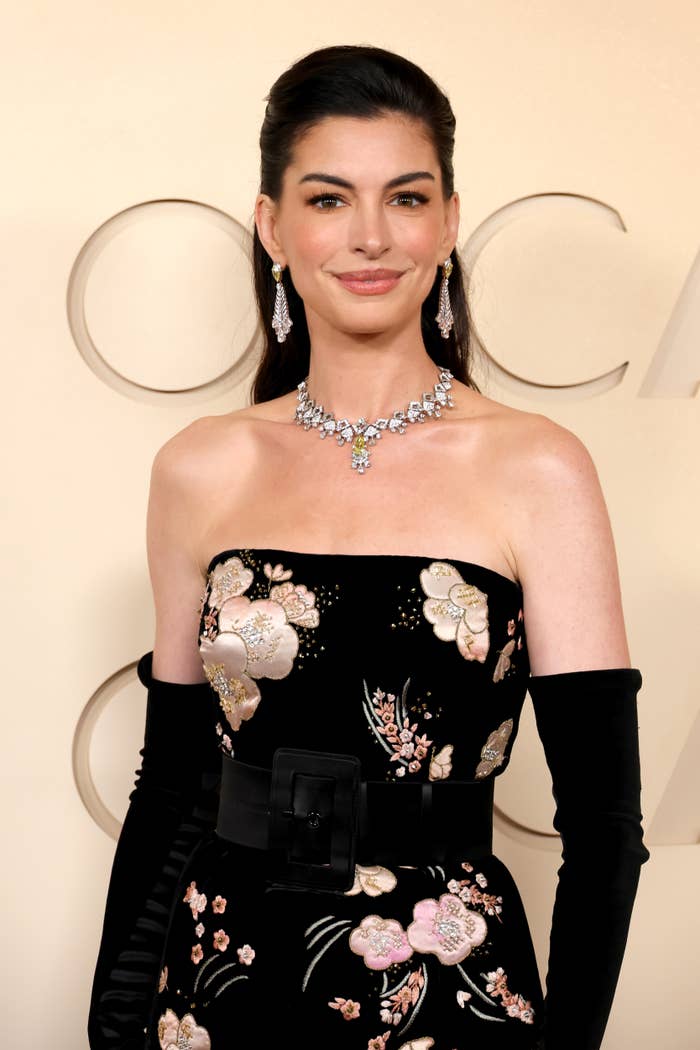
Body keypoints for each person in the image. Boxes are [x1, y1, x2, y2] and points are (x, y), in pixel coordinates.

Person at [88, 44, 650, 1050]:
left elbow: (603, 829)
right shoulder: (199, 468)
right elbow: (170, 785)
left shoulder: (537, 467)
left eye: (406, 197)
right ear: (273, 226)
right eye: (328, 199)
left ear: (447, 221)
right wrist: (117, 1017)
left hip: (445, 987)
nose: (371, 237)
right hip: (219, 984)